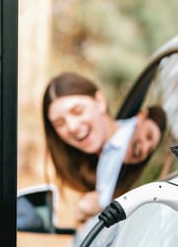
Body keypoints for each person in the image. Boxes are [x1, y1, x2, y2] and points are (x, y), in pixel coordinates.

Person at [42, 72, 166, 221]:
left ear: (100, 101)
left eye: (77, 111)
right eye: (59, 124)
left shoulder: (133, 135)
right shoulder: (98, 167)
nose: (72, 126)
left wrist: (96, 204)